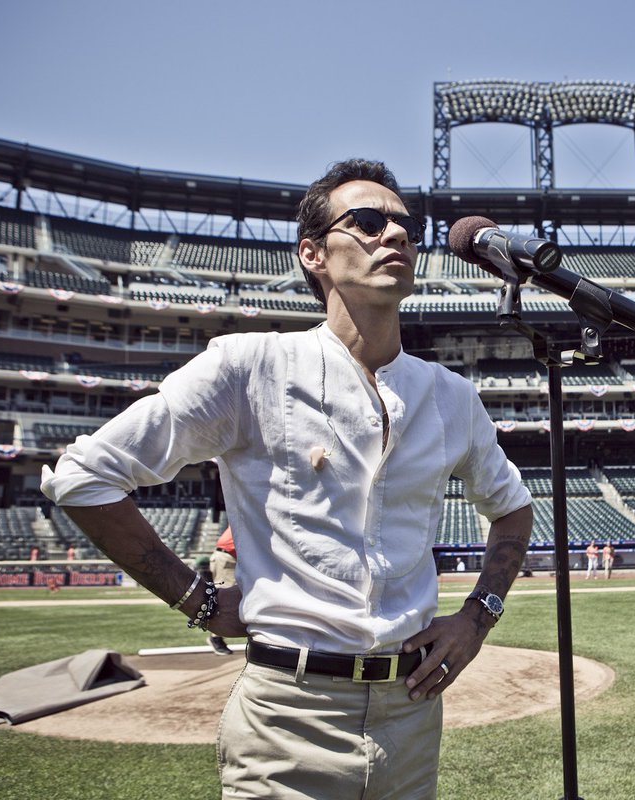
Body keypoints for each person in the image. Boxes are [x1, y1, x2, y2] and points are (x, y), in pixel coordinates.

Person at [41, 158, 534, 799]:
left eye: (405, 225)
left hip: (412, 712)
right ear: (313, 254)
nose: (396, 235)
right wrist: (197, 599)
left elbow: (514, 508)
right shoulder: (252, 367)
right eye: (366, 221)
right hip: (287, 714)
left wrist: (478, 615)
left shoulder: (451, 396)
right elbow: (85, 477)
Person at [207, 526, 237, 655]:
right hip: (227, 557)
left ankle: (217, 637)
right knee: (226, 599)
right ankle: (216, 638)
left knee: (228, 598)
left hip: (226, 556)